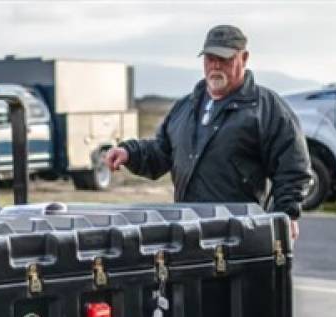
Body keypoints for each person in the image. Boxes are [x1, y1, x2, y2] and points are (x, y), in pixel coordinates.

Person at [105, 25, 310, 240]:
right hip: (188, 233)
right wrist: (130, 153)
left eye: (224, 59)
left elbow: (293, 166)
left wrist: (286, 215)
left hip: (241, 235)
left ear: (244, 58)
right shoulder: (185, 108)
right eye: (210, 58)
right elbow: (161, 152)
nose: (216, 66)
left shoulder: (267, 109)